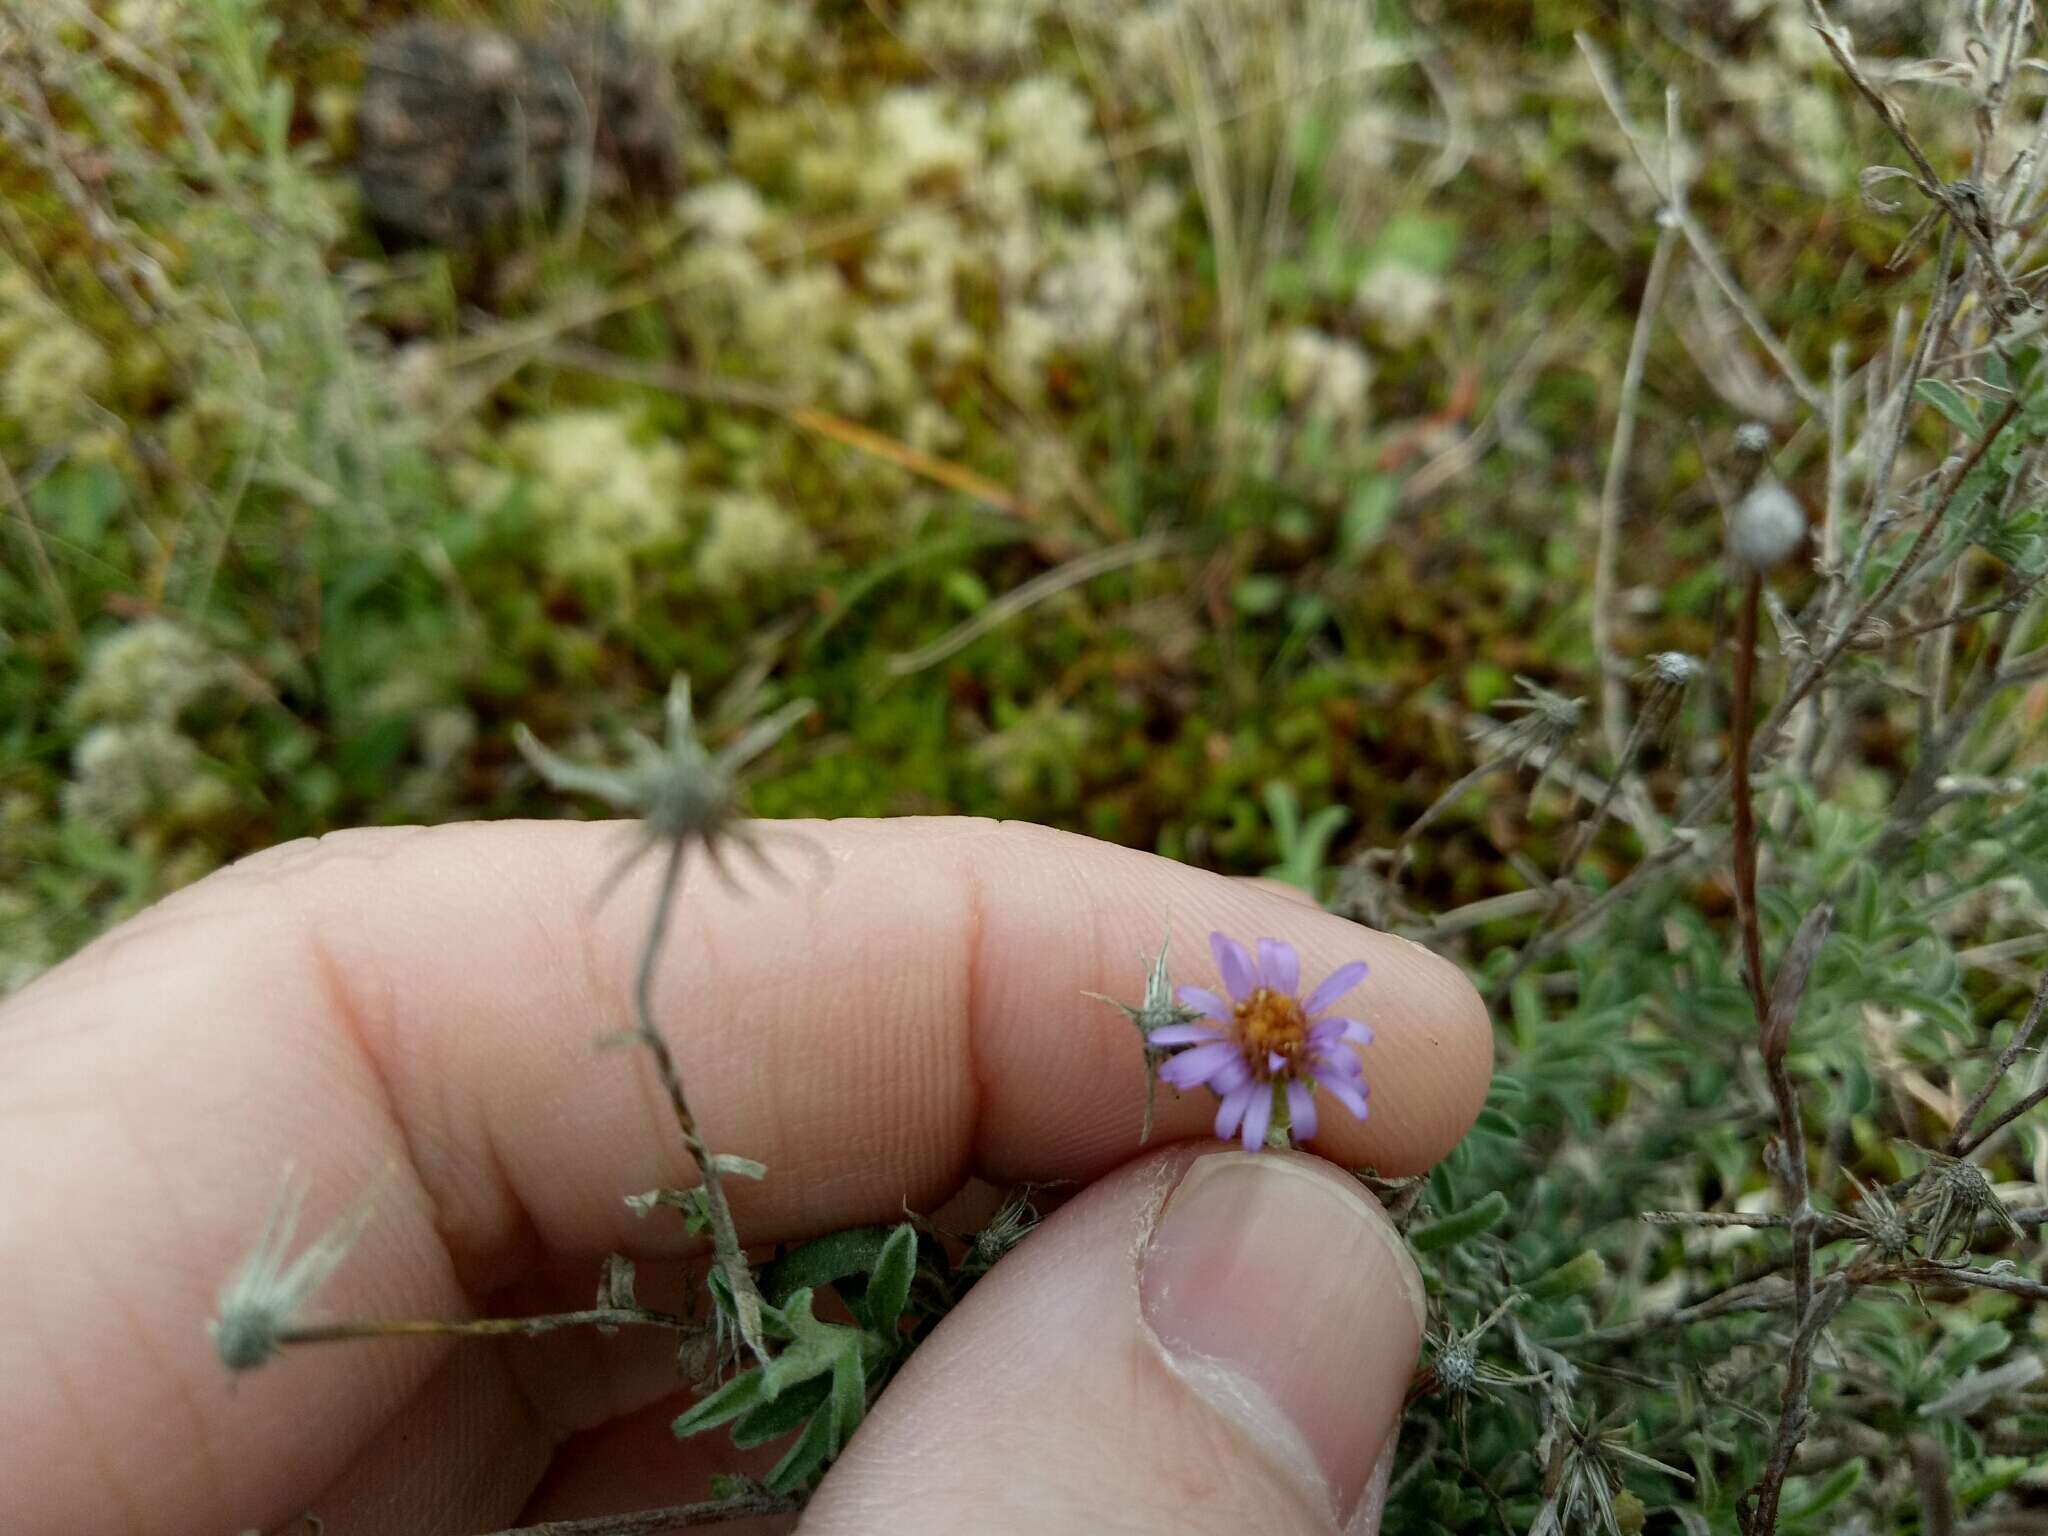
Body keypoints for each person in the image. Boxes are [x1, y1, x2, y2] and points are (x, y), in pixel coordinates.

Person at [0, 816, 1491, 1534]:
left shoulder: (1271, 1057)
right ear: (1247, 1025)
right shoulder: (1229, 1046)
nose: (1272, 1026)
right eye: (1262, 1023)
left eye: (1283, 1029)